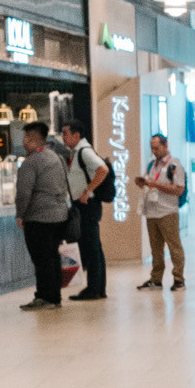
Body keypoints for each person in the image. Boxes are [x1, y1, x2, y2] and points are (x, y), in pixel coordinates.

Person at [12, 124, 72, 309]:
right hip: (59, 215)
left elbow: (23, 193)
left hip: (38, 217)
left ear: (30, 138)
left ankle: (44, 297)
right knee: (52, 257)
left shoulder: (31, 162)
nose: (23, 142)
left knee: (41, 258)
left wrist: (20, 214)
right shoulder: (56, 157)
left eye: (26, 137)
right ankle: (54, 297)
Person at [59, 123, 113, 299]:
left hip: (87, 205)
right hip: (84, 205)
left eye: (65, 133)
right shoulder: (77, 152)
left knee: (92, 246)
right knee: (93, 246)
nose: (63, 137)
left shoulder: (84, 151)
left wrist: (88, 190)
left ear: (76, 135)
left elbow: (102, 169)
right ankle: (96, 287)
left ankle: (94, 289)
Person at [136, 133, 187, 290]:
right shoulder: (152, 165)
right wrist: (143, 183)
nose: (154, 151)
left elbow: (179, 189)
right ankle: (156, 279)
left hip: (167, 212)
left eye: (157, 148)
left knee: (174, 246)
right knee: (156, 249)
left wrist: (156, 185)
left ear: (165, 146)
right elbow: (151, 184)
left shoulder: (174, 165)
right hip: (152, 211)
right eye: (152, 148)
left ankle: (178, 279)